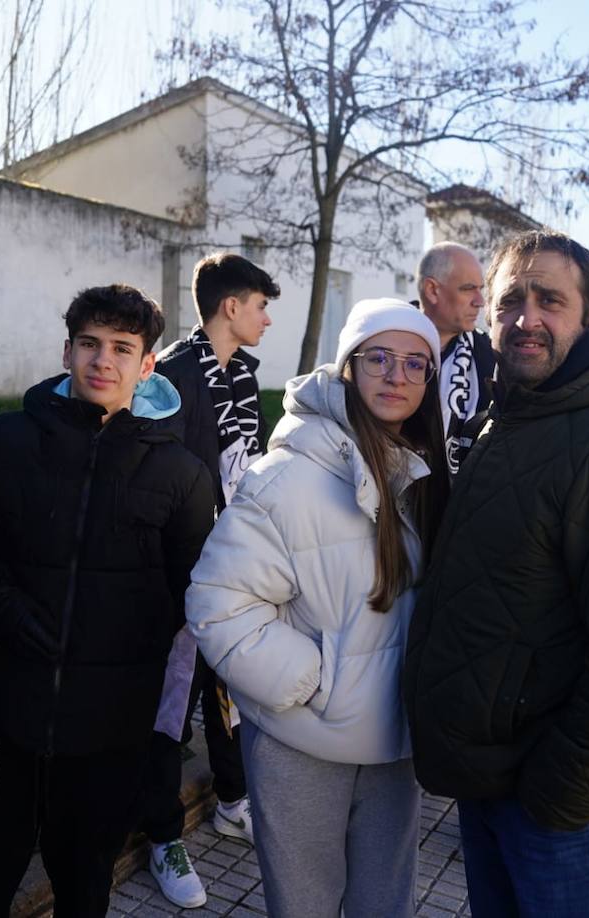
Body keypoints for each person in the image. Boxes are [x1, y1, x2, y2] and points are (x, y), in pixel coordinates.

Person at [402, 230, 589, 917]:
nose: (525, 319)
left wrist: (554, 796)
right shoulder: (514, 421)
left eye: (549, 301)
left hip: (571, 812)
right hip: (502, 783)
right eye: (509, 301)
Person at [0, 284, 215, 917]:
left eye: (123, 348)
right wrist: (2, 603)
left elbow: (192, 592)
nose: (104, 360)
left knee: (85, 886)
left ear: (147, 364)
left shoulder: (182, 475)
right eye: (90, 344)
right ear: (66, 351)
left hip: (110, 728)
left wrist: (125, 635)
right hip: (4, 710)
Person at [187, 298, 450, 918]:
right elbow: (217, 600)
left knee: (384, 907)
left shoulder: (424, 478)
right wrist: (313, 681)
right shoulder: (288, 478)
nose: (396, 376)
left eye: (416, 364)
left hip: (395, 744)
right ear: (348, 368)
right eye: (379, 358)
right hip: (302, 743)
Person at [140, 252, 278, 907]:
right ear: (230, 307)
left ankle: (232, 798)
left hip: (233, 566)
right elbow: (154, 481)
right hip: (179, 579)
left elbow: (245, 466)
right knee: (172, 713)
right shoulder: (172, 374)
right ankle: (163, 837)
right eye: (260, 306)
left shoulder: (243, 375)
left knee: (232, 691)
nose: (268, 319)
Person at [415, 241, 494, 474]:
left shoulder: (493, 357)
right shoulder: (386, 349)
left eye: (481, 289)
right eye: (468, 288)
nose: (480, 301)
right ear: (432, 290)